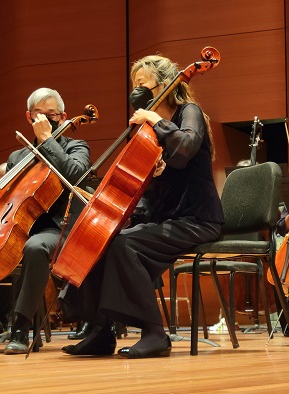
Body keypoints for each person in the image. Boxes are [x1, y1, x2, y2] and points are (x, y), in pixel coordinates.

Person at [62, 54, 224, 359]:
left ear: (164, 85)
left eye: (142, 83)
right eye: (134, 84)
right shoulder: (150, 132)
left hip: (197, 218)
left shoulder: (188, 112)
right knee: (105, 242)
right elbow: (148, 188)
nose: (136, 90)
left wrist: (153, 119)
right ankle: (100, 331)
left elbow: (185, 148)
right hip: (167, 217)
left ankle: (155, 333)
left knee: (125, 246)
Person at [0, 87, 91, 353]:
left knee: (34, 248)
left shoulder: (76, 147)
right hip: (15, 224)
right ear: (28, 118)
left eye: (52, 114)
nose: (46, 119)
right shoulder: (18, 157)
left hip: (56, 226)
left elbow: (76, 174)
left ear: (64, 116)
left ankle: (21, 328)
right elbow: (5, 199)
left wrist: (48, 140)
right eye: (39, 115)